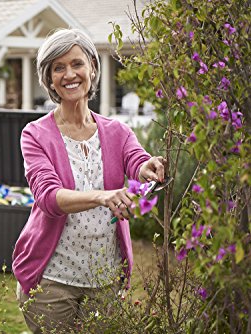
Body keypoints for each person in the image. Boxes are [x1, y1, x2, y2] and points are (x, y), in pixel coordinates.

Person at [12, 28, 165, 332]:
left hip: (105, 279)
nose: (69, 74)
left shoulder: (117, 132)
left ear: (92, 68)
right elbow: (48, 197)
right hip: (52, 280)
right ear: (49, 79)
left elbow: (136, 160)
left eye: (76, 64)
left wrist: (148, 166)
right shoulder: (35, 134)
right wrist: (102, 196)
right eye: (58, 67)